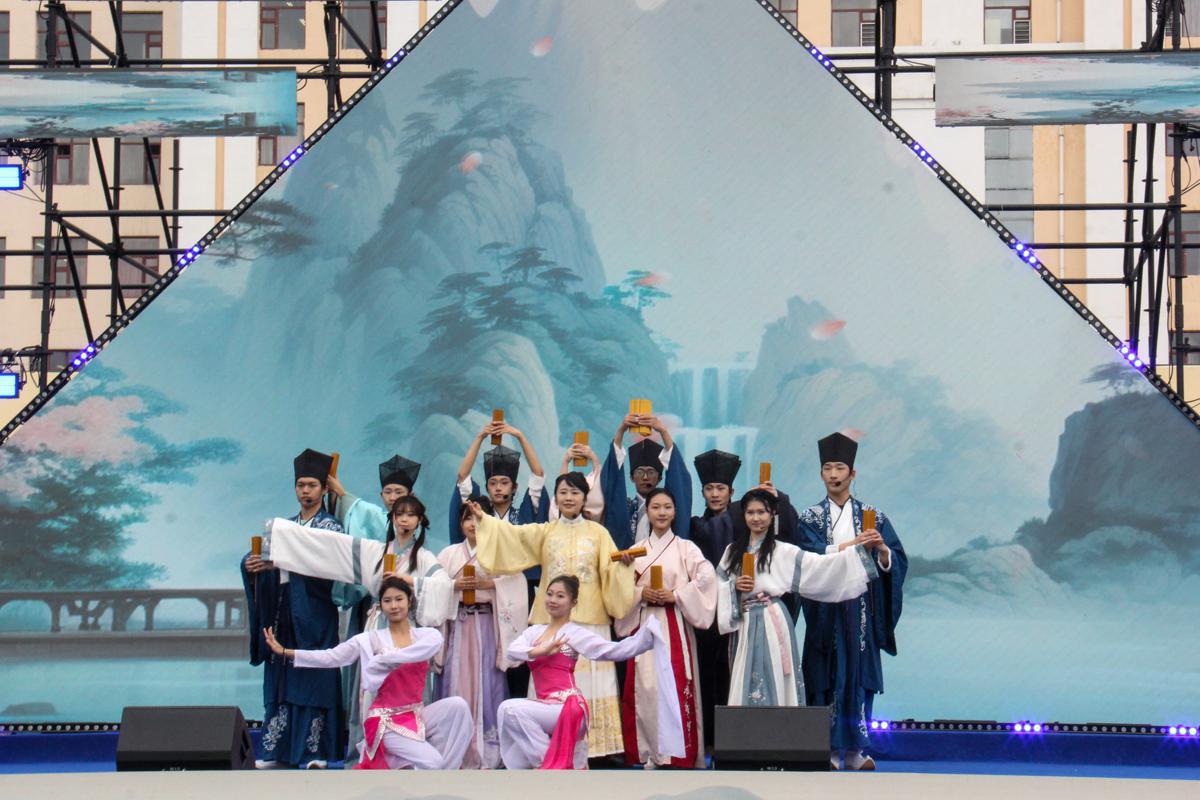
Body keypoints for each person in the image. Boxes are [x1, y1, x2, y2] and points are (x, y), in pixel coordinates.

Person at [260, 494, 456, 755]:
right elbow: (331, 549)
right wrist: (280, 541)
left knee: (409, 681)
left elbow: (443, 585)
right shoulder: (376, 551)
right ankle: (368, 748)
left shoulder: (423, 558)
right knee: (371, 686)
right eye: (399, 514)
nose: (404, 520)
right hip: (378, 623)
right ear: (392, 519)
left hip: (406, 625)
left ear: (419, 521)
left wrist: (409, 582)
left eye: (411, 515)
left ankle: (412, 744)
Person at [467, 473, 636, 759]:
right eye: (563, 492)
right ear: (555, 498)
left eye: (575, 493)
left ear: (585, 499)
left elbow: (610, 570)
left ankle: (596, 749)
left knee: (592, 683)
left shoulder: (599, 533)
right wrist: (485, 520)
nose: (569, 498)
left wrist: (624, 566)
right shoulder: (546, 531)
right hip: (552, 623)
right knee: (550, 683)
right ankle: (548, 749)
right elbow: (513, 535)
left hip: (589, 619)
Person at [263, 577, 472, 770]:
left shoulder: (426, 636)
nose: (394, 605)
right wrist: (286, 652)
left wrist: (386, 660)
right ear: (381, 605)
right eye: (388, 601)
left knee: (458, 706)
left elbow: (427, 648)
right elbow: (331, 657)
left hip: (414, 714)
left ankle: (446, 773)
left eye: (399, 599)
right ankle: (434, 771)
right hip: (386, 722)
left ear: (410, 601)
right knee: (434, 762)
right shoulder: (369, 640)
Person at [796, 432, 907, 771]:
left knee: (859, 678)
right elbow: (806, 555)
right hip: (825, 610)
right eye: (827, 468)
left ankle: (856, 749)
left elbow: (896, 559)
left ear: (852, 473)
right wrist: (850, 547)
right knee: (825, 677)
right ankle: (827, 749)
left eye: (840, 468)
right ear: (821, 474)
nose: (833, 474)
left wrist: (882, 551)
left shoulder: (874, 516)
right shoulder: (810, 517)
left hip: (860, 611)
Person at [498, 575, 684, 770]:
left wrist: (645, 637)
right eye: (550, 594)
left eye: (560, 596)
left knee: (509, 709)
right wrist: (542, 650)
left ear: (573, 603)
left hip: (569, 707)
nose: (553, 600)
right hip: (545, 707)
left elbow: (611, 651)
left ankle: (549, 763)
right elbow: (512, 651)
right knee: (515, 747)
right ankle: (552, 762)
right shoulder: (534, 632)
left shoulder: (573, 633)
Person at [716, 488, 879, 709]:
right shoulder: (732, 552)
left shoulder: (783, 551)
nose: (756, 518)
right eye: (750, 512)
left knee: (774, 672)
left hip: (772, 618)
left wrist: (857, 549)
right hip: (744, 622)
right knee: (745, 673)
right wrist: (733, 586)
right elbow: (716, 585)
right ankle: (746, 728)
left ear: (772, 514)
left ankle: (778, 725)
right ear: (743, 515)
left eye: (762, 512)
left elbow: (820, 566)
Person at [240, 448, 344, 768]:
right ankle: (278, 751)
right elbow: (264, 559)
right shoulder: (282, 527)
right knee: (282, 679)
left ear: (324, 489)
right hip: (283, 612)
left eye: (312, 485)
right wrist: (252, 565)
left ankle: (315, 751)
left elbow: (330, 568)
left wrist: (281, 562)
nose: (305, 491)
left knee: (313, 676)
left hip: (314, 614)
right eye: (301, 485)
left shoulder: (331, 528)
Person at [616, 488, 716, 768]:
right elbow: (620, 588)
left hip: (674, 623)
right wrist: (641, 593)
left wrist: (677, 594)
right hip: (645, 624)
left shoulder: (686, 548)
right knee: (646, 687)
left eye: (667, 507)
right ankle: (647, 751)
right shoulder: (635, 551)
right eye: (656, 507)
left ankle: (678, 753)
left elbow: (707, 577)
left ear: (675, 512)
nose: (661, 513)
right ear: (647, 512)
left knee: (675, 682)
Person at [435, 500, 530, 768]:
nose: (472, 524)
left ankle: (489, 749)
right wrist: (454, 586)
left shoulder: (500, 553)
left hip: (487, 625)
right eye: (467, 518)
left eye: (478, 519)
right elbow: (434, 585)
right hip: (458, 625)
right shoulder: (448, 554)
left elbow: (517, 583)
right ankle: (454, 748)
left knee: (488, 679)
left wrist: (487, 584)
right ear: (460, 523)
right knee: (456, 680)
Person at [600, 412, 693, 549]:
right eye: (639, 472)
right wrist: (621, 430)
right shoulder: (625, 509)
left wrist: (663, 431)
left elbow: (678, 478)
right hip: (628, 562)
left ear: (660, 478)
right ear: (632, 477)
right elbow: (612, 480)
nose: (645, 477)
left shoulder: (666, 510)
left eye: (651, 472)